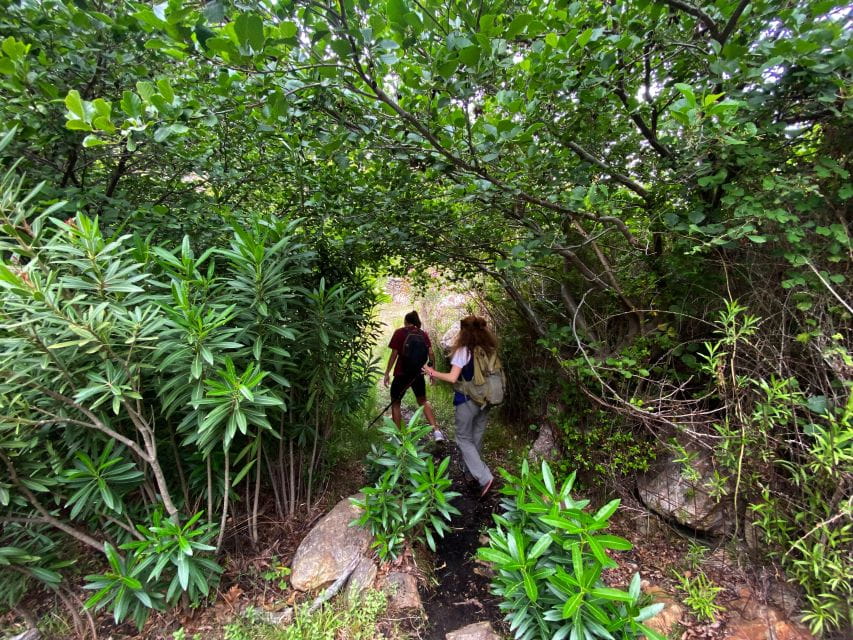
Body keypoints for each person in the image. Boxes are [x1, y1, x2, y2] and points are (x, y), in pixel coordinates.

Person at [423, 315, 496, 497]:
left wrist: (432, 372)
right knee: (476, 437)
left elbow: (452, 377)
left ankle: (484, 477)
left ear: (464, 331)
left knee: (463, 438)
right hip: (487, 398)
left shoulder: (463, 351)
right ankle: (471, 473)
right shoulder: (489, 348)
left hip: (467, 399)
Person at [383, 310, 446, 442]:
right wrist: (432, 372)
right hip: (418, 374)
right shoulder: (423, 334)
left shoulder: (400, 332)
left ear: (406, 321)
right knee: (423, 401)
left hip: (401, 373)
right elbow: (431, 353)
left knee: (396, 403)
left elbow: (394, 354)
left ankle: (398, 437)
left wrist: (387, 372)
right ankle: (437, 431)